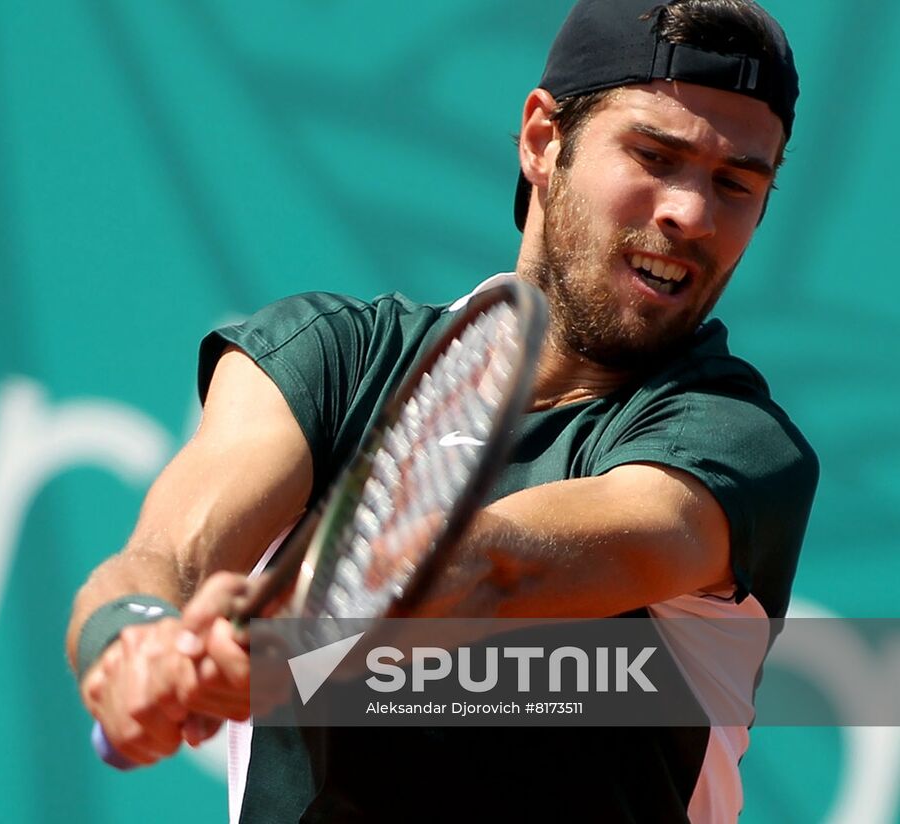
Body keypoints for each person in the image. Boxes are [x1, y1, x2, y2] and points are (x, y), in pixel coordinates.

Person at [66, 0, 819, 820]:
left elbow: (502, 569)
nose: (692, 214)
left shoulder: (740, 449)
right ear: (542, 139)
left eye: (736, 184)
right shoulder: (328, 357)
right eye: (654, 154)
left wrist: (305, 628)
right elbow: (166, 557)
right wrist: (137, 641)